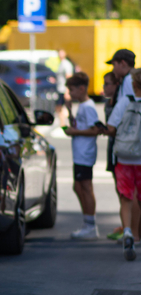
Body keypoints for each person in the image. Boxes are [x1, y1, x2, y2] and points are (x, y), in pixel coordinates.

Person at [105, 68, 141, 261]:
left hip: (125, 157)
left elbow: (111, 128)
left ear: (133, 85)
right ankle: (137, 234)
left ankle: (127, 231)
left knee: (127, 197)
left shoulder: (124, 102)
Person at [63, 72, 101, 240]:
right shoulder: (82, 106)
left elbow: (95, 130)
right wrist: (70, 113)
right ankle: (88, 223)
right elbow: (80, 126)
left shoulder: (88, 107)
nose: (70, 93)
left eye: (71, 90)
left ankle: (90, 226)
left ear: (81, 88)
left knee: (85, 187)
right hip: (80, 154)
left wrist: (74, 131)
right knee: (78, 187)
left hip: (85, 154)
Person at [102, 72, 125, 241]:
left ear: (116, 85)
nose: (104, 88)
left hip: (122, 148)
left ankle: (129, 226)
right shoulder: (107, 102)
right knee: (120, 189)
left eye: (107, 84)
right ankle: (126, 224)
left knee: (126, 192)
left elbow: (115, 127)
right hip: (112, 148)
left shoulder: (121, 102)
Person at [55, 49, 74, 126]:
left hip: (64, 90)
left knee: (64, 108)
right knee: (60, 108)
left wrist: (67, 91)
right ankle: (62, 124)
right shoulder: (61, 63)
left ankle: (65, 124)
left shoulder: (66, 64)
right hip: (60, 89)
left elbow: (68, 77)